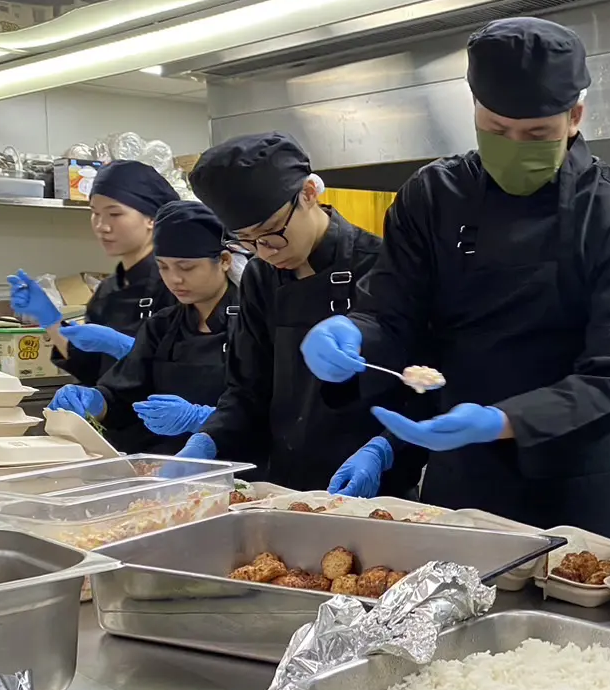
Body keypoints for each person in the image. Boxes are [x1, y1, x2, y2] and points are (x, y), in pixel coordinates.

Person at [301, 16, 610, 540]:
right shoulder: (432, 197)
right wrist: (354, 335)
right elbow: (394, 315)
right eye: (497, 130)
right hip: (459, 471)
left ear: (575, 117)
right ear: (474, 110)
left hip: (575, 485)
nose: (514, 145)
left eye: (536, 134)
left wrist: (503, 420)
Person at [173, 133, 426, 493]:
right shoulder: (261, 277)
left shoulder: (381, 264)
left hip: (373, 484)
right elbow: (247, 390)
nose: (264, 252)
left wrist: (384, 448)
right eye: (246, 241)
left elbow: (421, 385)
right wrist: (207, 441)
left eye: (271, 234)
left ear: (309, 193)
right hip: (285, 486)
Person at [48, 201, 241, 455]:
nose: (174, 279)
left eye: (187, 267)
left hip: (239, 472)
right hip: (162, 471)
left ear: (224, 261)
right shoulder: (161, 326)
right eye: (163, 267)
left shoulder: (254, 323)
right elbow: (124, 396)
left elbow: (272, 410)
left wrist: (204, 419)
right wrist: (94, 401)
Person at [7, 161, 179, 384]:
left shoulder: (176, 284)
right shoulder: (108, 290)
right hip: (112, 414)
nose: (101, 226)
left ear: (151, 219)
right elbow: (90, 368)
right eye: (95, 213)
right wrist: (49, 318)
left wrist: (124, 348)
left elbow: (188, 370)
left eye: (114, 214)